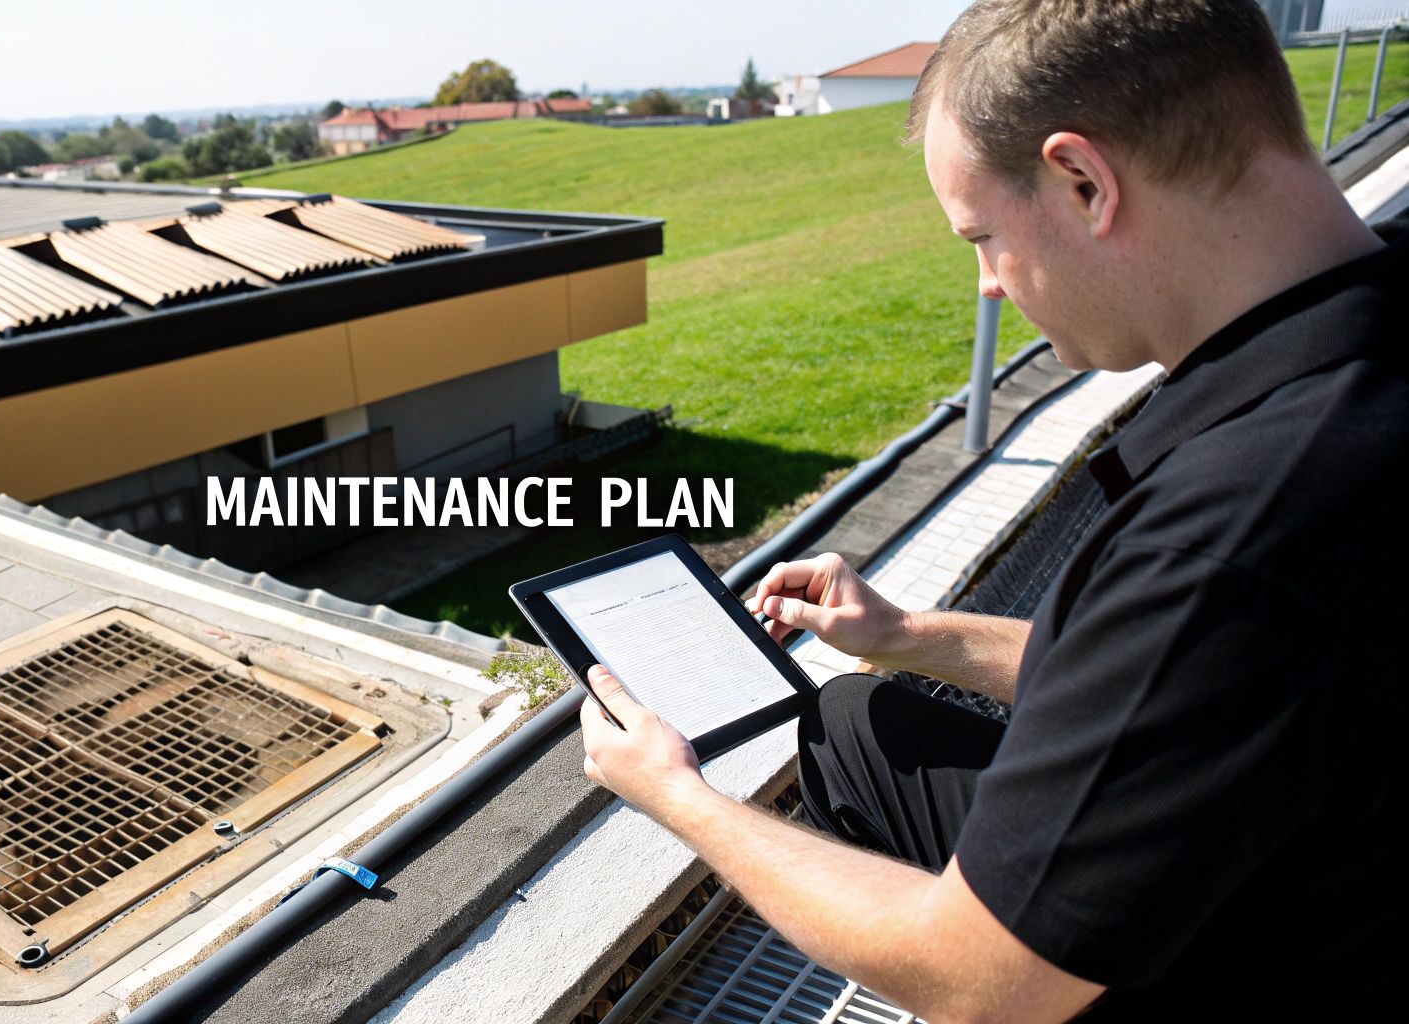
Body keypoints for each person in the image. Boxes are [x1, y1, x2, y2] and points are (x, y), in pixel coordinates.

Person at [578, 2, 1407, 1021]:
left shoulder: (1230, 528)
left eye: (981, 237)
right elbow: (1204, 680)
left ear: (1081, 182)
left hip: (1240, 957)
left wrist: (679, 798)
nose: (984, 285)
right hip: (1326, 874)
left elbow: (983, 981)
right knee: (855, 719)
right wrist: (906, 635)